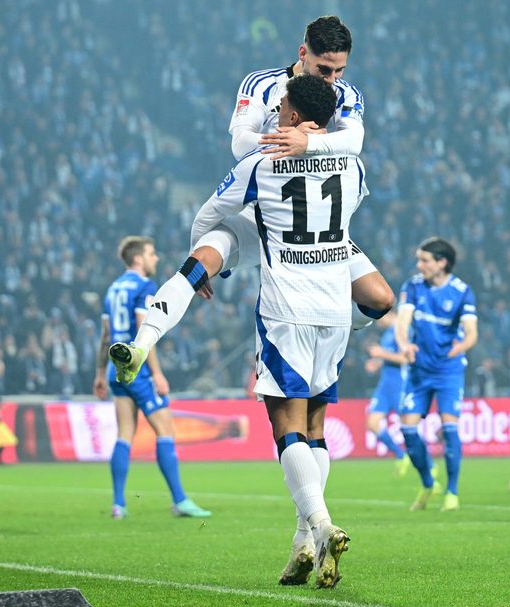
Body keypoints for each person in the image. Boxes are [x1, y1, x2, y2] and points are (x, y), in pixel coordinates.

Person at [111, 75, 357, 588]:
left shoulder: (262, 162)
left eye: (283, 105)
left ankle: (322, 525)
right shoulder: (352, 165)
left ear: (290, 115)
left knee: (285, 426)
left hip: (287, 308)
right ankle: (303, 542)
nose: (277, 106)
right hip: (336, 308)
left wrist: (214, 264)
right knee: (315, 426)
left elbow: (210, 213)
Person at [202, 15, 393, 329]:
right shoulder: (261, 84)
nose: (332, 79)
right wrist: (285, 142)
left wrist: (306, 143)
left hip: (316, 220)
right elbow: (240, 143)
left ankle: (335, 324)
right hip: (262, 209)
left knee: (380, 298)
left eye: (340, 70)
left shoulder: (346, 93)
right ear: (304, 54)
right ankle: (143, 339)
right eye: (325, 69)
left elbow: (354, 140)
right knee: (200, 259)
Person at [92, 236, 210, 520]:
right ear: (138, 259)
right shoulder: (144, 286)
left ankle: (119, 504)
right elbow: (145, 329)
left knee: (124, 434)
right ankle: (180, 500)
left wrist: (99, 373)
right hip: (138, 369)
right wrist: (156, 373)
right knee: (165, 430)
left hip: (113, 367)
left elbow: (105, 336)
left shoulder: (113, 289)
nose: (155, 258)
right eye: (151, 253)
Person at [395, 237, 478, 512]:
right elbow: (402, 322)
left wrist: (462, 346)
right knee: (407, 428)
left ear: (442, 263)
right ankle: (428, 481)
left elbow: (471, 332)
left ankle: (452, 492)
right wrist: (405, 345)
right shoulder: (413, 286)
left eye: (425, 260)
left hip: (448, 370)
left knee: (449, 427)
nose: (419, 265)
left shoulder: (462, 291)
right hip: (419, 369)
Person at [364, 309, 411, 476]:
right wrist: (377, 362)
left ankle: (427, 466)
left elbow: (406, 359)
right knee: (372, 424)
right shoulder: (386, 335)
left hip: (400, 386)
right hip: (385, 386)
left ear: (389, 313)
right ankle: (400, 455)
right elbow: (389, 359)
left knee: (409, 427)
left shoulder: (403, 331)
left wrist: (382, 353)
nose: (377, 321)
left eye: (378, 317)